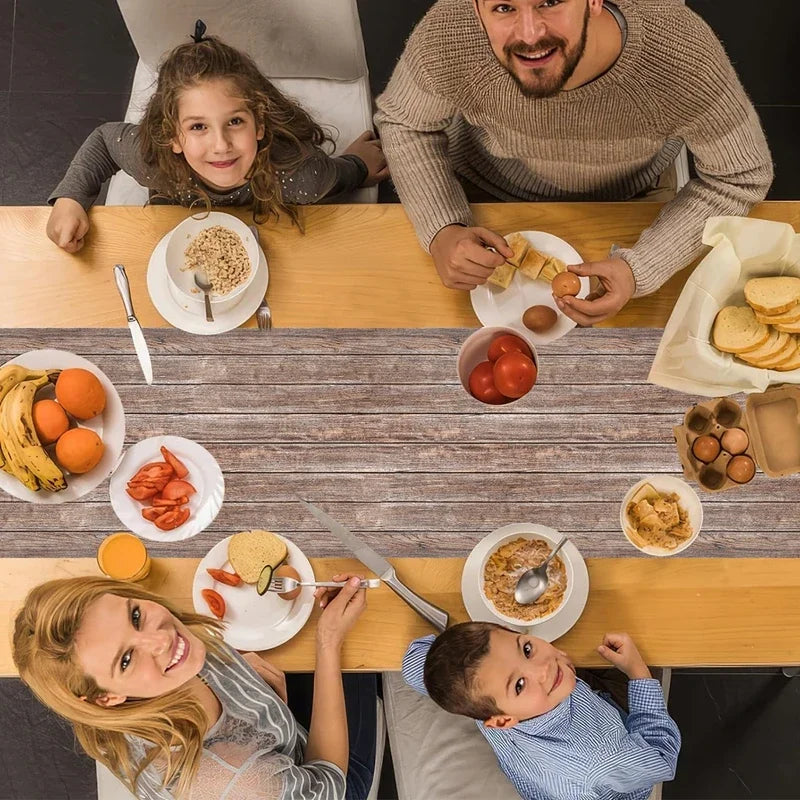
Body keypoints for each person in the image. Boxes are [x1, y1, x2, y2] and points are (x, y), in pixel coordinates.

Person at [375, 0, 773, 324]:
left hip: (632, 199)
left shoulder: (681, 54)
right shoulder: (449, 29)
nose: (529, 35)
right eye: (503, 8)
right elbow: (403, 121)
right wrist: (442, 227)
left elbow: (741, 175)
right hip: (479, 189)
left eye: (549, 2)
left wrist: (642, 268)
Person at [13, 574, 375, 800]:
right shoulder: (233, 781)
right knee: (368, 651)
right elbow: (329, 784)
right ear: (107, 698)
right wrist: (329, 642)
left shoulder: (109, 704)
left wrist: (239, 679)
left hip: (274, 749)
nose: (162, 639)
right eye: (126, 659)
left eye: (135, 615)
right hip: (322, 779)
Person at [47, 30, 389, 253]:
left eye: (235, 122)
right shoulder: (153, 159)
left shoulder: (301, 176)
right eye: (198, 127)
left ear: (258, 124)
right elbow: (104, 143)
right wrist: (71, 197)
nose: (221, 144)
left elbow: (335, 178)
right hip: (176, 214)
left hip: (267, 227)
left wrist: (358, 166)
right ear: (172, 137)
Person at [403, 622, 681, 799]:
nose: (545, 668)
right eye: (520, 684)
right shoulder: (601, 757)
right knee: (658, 639)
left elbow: (415, 662)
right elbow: (661, 757)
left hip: (544, 776)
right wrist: (638, 672)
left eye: (526, 649)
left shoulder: (487, 701)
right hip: (617, 765)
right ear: (501, 722)